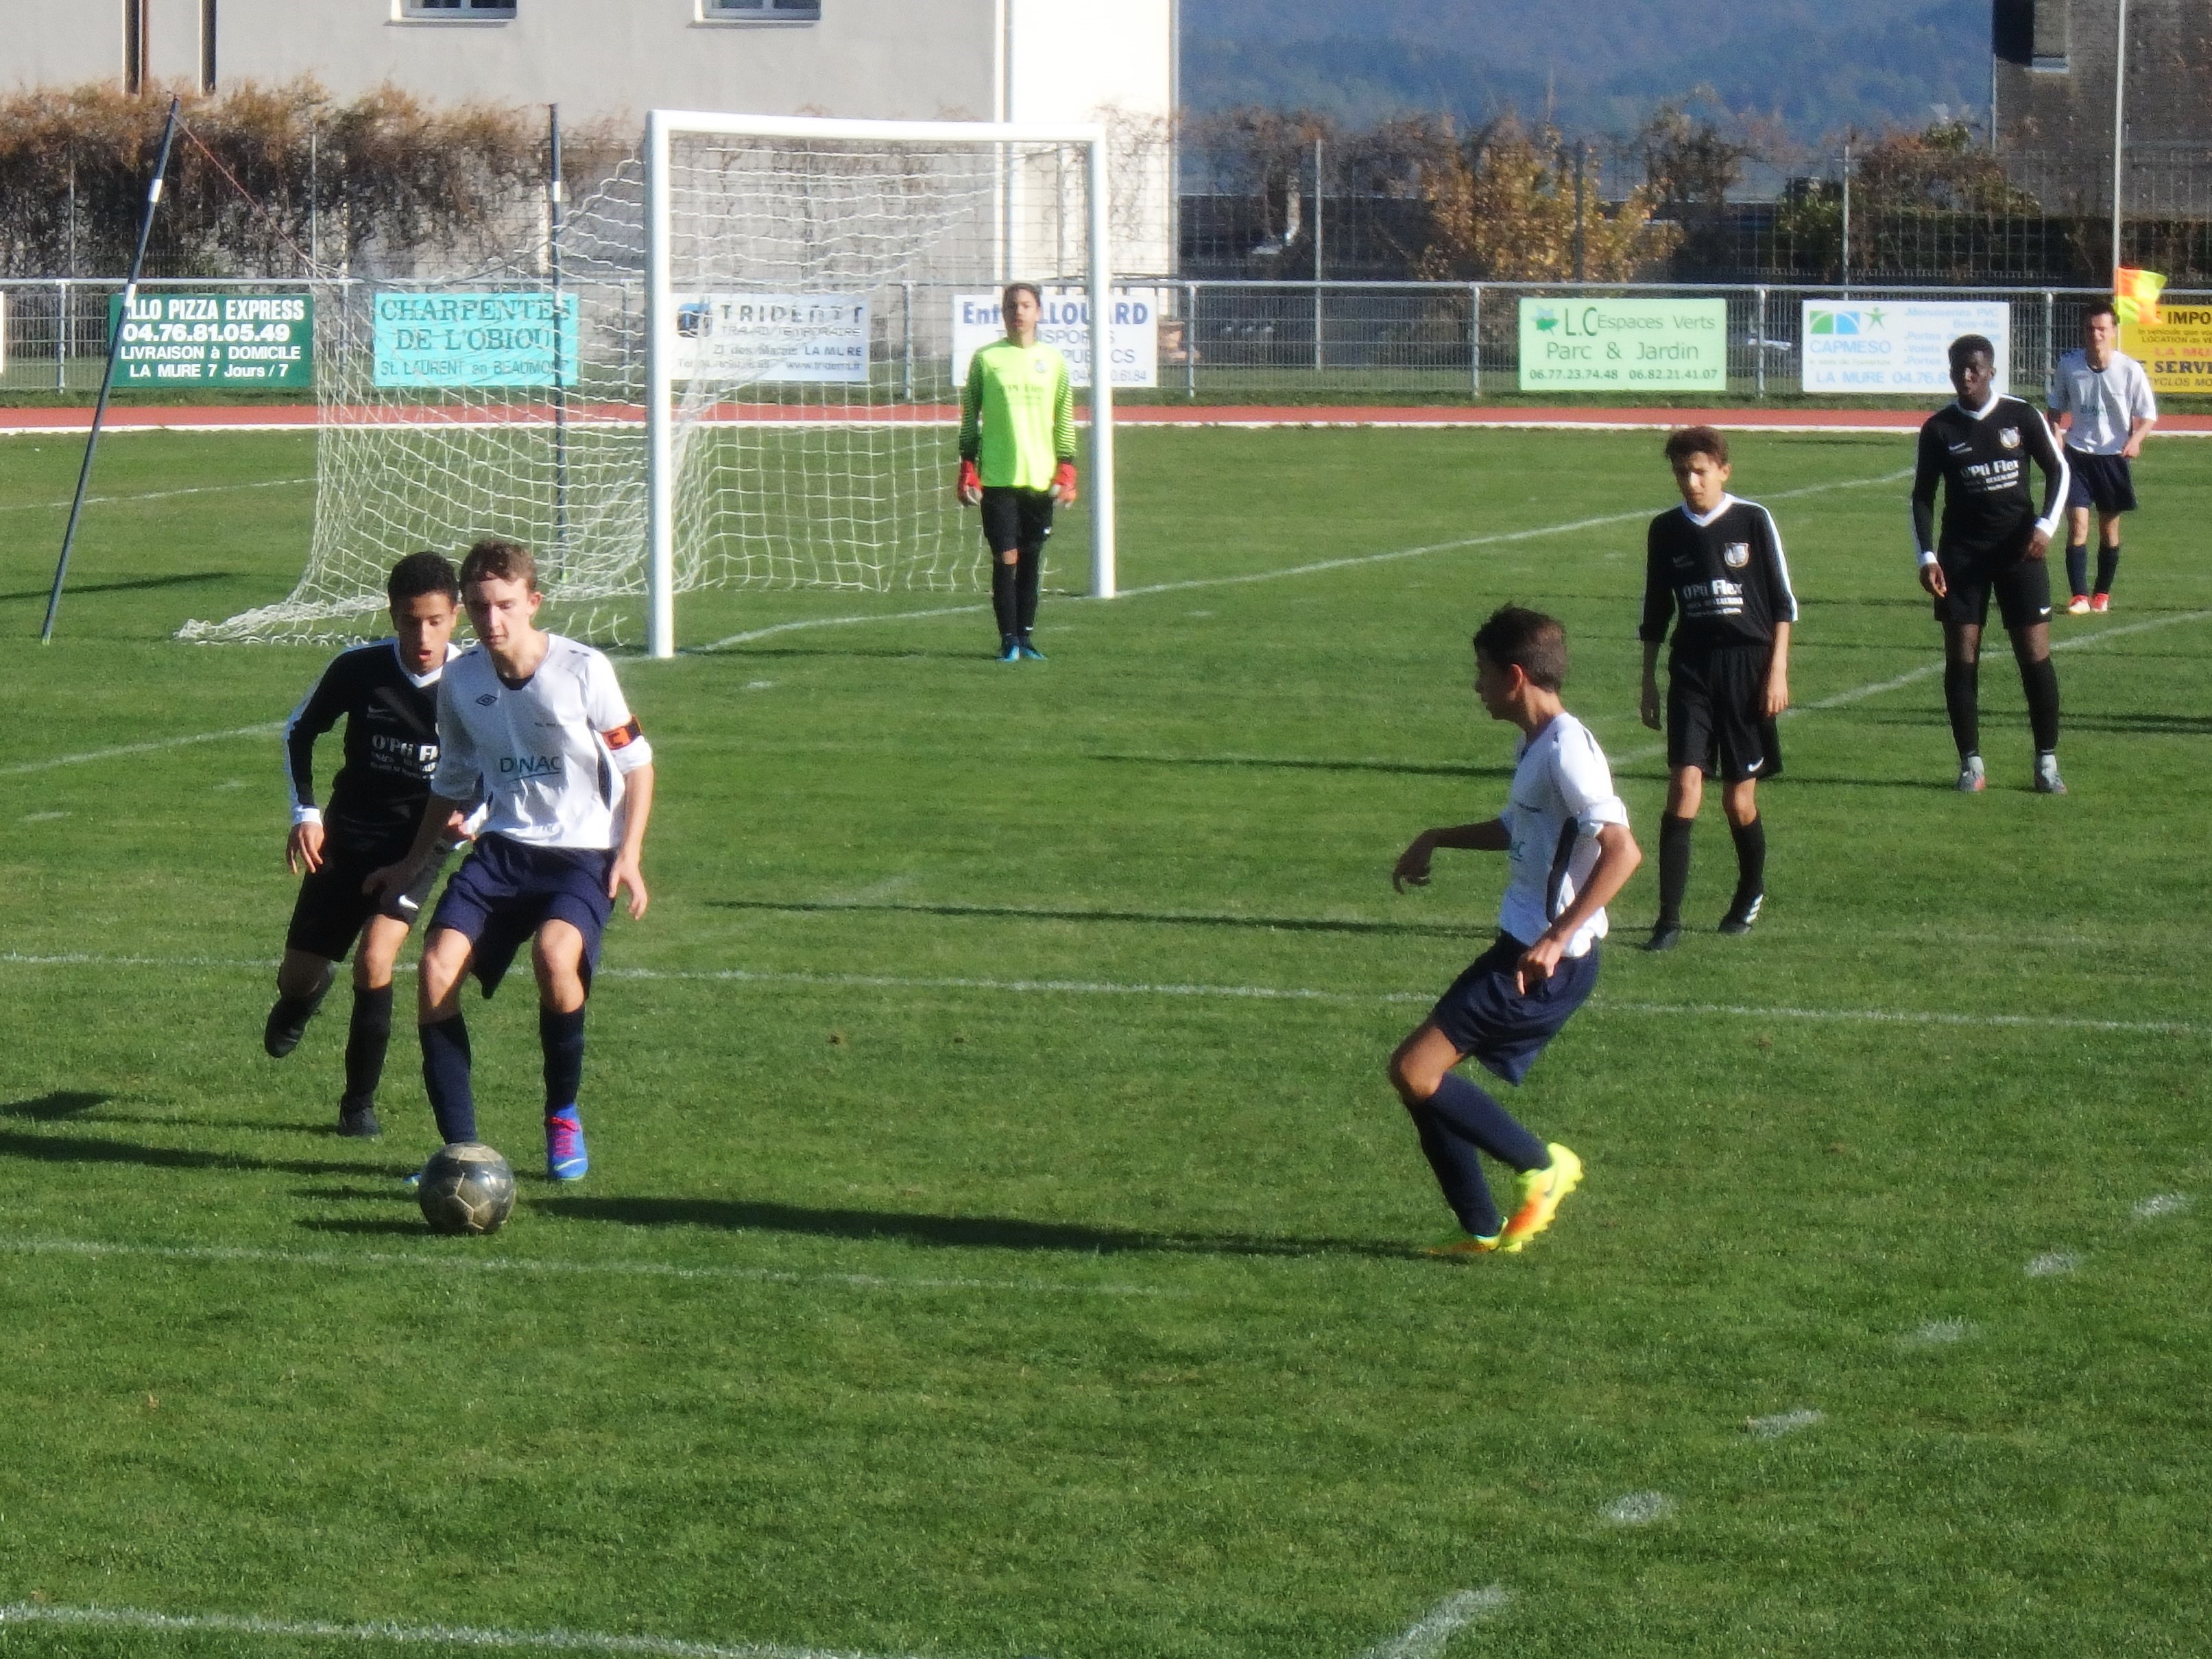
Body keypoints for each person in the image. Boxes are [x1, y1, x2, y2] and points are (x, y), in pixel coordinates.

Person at [368, 538, 656, 1180]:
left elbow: (638, 764)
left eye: (504, 605)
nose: (491, 620)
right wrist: (413, 863)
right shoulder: (463, 678)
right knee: (435, 969)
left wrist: (630, 854)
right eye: (478, 607)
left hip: (583, 853)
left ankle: (562, 1114)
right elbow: (453, 778)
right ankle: (461, 1152)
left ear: (533, 602)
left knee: (555, 957)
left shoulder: (584, 669)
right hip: (503, 850)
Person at [1386, 606, 1642, 1256]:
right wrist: (1437, 836)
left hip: (1543, 961)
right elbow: (1517, 828)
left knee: (1415, 1070)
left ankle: (1543, 1166)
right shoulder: (1536, 743)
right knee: (1423, 1080)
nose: (1476, 685)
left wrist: (1556, 937)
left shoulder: (1568, 752)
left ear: (1516, 675)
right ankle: (1478, 1226)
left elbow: (1623, 851)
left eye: (1482, 671)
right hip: (1522, 947)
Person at [264, 551, 471, 1138]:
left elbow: (498, 761)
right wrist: (307, 812)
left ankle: (358, 1106)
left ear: (455, 616)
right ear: (392, 614)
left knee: (375, 959)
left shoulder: (475, 682)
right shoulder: (359, 668)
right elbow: (299, 731)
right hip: (348, 835)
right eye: (410, 621)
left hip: (418, 844)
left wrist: (473, 817)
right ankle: (303, 998)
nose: (423, 636)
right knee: (297, 976)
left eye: (435, 621)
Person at [1639, 427, 1796, 950]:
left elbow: (1782, 603)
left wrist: (1777, 671)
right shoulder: (1665, 530)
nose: (1691, 481)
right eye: (1681, 472)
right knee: (1685, 784)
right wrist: (1648, 680)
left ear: (1724, 471)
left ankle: (1750, 888)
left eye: (1700, 471)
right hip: (1691, 669)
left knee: (1738, 800)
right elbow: (1656, 610)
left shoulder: (1752, 520)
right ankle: (1668, 920)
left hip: (1748, 669)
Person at [1912, 335, 2071, 795]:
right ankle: (1971, 764)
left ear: (1991, 371)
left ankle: (2046, 763)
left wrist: (2046, 526)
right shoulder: (1939, 429)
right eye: (1958, 369)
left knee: (2035, 656)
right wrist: (1927, 556)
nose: (1966, 377)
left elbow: (2058, 470)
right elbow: (1922, 497)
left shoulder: (2020, 416)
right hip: (1961, 556)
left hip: (2020, 552)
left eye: (1974, 369)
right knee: (1962, 657)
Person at [957, 281, 1078, 663]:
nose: (1018, 312)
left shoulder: (1054, 362)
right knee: (1006, 557)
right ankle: (1008, 639)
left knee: (1031, 558)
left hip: (1040, 477)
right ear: (1003, 312)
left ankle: (1025, 638)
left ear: (1038, 312)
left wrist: (1067, 468)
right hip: (998, 476)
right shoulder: (987, 359)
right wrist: (967, 466)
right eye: (1011, 306)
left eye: (1025, 305)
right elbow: (970, 417)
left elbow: (1064, 418)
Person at [2047, 300, 2157, 614]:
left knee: (2109, 530)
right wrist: (2056, 434)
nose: (2095, 335)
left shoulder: (2129, 369)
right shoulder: (2069, 365)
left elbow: (2148, 415)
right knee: (2077, 525)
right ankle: (2079, 596)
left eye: (2102, 329)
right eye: (2090, 329)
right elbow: (2054, 408)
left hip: (2113, 457)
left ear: (2113, 331)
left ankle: (2101, 594)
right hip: (2078, 455)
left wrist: (2135, 440)